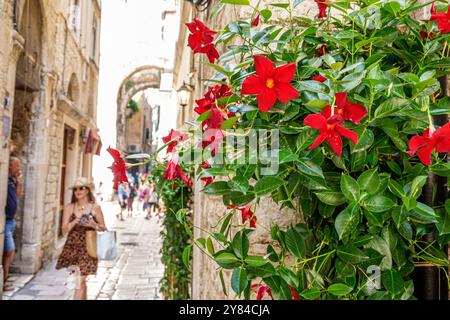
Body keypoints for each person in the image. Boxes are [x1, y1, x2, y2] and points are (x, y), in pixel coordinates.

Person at [55, 177, 107, 300]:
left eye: (81, 188)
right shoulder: (69, 207)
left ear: (87, 190)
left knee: (80, 281)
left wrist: (93, 225)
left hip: (88, 248)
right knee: (81, 282)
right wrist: (74, 222)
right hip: (73, 248)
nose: (78, 191)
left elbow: (103, 227)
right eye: (75, 189)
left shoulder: (95, 207)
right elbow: (64, 229)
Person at [2, 157, 23, 292]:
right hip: (4, 221)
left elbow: (17, 196)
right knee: (9, 250)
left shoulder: (12, 180)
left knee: (7, 252)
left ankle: (3, 282)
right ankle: (2, 282)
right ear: (9, 166)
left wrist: (19, 183)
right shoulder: (3, 178)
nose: (19, 168)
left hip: (10, 221)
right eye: (17, 165)